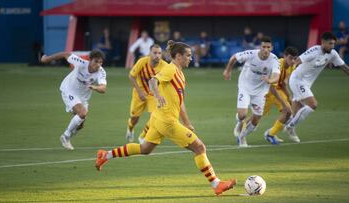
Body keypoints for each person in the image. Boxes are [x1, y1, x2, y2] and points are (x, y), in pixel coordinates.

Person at [95, 40, 236, 196]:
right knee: (199, 148)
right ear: (178, 56)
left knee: (145, 149)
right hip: (167, 121)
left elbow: (180, 103)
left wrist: (187, 122)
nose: (191, 58)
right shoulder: (171, 69)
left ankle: (105, 155)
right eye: (188, 55)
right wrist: (157, 95)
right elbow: (152, 81)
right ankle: (216, 184)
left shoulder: (179, 73)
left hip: (158, 118)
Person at [285, 32, 349, 140]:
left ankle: (276, 130)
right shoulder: (314, 50)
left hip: (306, 84)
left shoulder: (333, 53)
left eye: (333, 44)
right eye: (330, 44)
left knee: (296, 112)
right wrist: (289, 70)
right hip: (297, 80)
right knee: (313, 104)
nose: (332, 46)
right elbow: (299, 60)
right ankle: (290, 127)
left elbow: (344, 67)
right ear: (323, 42)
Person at [40, 50, 107, 150]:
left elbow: (103, 88)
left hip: (82, 97)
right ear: (90, 60)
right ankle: (65, 136)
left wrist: (95, 87)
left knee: (80, 125)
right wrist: (47, 59)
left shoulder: (101, 72)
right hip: (69, 90)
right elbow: (65, 54)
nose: (98, 65)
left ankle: (69, 135)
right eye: (96, 61)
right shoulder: (80, 63)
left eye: (100, 62)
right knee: (82, 113)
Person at [223, 36, 280, 147]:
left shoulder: (274, 59)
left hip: (260, 91)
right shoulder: (251, 54)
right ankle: (240, 122)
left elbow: (276, 76)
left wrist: (270, 80)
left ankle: (242, 137)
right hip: (245, 87)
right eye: (263, 47)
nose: (266, 49)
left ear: (272, 48)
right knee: (242, 115)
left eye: (268, 47)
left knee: (256, 119)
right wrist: (228, 70)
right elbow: (234, 57)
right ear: (260, 47)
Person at [126, 44, 168, 143]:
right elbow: (131, 76)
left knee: (154, 116)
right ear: (150, 53)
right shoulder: (142, 62)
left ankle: (143, 136)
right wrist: (140, 92)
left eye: (159, 53)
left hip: (153, 95)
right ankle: (130, 128)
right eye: (155, 53)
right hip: (139, 94)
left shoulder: (164, 66)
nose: (157, 55)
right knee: (134, 118)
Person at [262, 46, 300, 144]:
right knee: (257, 116)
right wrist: (284, 102)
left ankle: (271, 134)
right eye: (290, 58)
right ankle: (242, 125)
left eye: (295, 58)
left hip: (277, 90)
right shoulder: (278, 64)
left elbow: (283, 83)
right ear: (285, 56)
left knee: (288, 112)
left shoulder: (292, 66)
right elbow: (272, 85)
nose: (292, 61)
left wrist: (288, 96)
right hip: (269, 90)